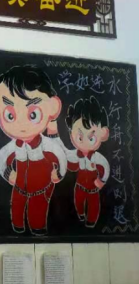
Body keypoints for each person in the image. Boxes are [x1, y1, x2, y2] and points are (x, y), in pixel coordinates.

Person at [0, 65, 66, 235]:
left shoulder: (47, 144)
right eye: (10, 115)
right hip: (19, 188)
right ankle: (18, 226)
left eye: (33, 114)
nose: (21, 125)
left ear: (53, 107)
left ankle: (38, 230)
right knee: (16, 212)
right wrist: (8, 174)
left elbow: (61, 155)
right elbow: (0, 158)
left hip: (41, 189)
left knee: (37, 213)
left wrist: (59, 173)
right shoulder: (13, 145)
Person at [63, 97, 110, 228]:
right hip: (79, 186)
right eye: (79, 137)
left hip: (93, 188)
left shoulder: (98, 158)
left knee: (94, 204)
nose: (84, 141)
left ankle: (91, 221)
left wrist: (101, 181)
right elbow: (67, 156)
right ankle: (81, 214)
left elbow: (105, 168)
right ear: (71, 134)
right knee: (78, 201)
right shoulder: (75, 154)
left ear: (103, 133)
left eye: (91, 138)